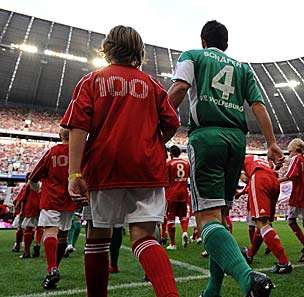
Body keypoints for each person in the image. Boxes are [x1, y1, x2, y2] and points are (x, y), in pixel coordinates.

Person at [62, 25, 180, 297]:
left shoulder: (91, 81)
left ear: (107, 49)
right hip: (146, 168)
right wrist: (154, 142)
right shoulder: (152, 85)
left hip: (105, 167)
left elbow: (77, 127)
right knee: (143, 237)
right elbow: (172, 123)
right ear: (139, 52)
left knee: (98, 237)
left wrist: (74, 174)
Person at [168, 20, 283, 297]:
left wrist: (155, 118)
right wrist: (271, 143)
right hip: (236, 141)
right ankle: (213, 289)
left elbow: (180, 88)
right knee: (219, 217)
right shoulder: (243, 68)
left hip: (207, 137)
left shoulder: (193, 55)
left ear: (203, 40)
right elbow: (257, 105)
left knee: (207, 219)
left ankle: (248, 279)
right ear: (226, 44)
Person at [28, 128, 77, 290]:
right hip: (70, 199)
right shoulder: (79, 153)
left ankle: (52, 269)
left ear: (60, 136)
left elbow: (33, 178)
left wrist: (39, 190)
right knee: (63, 235)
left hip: (51, 199)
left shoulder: (52, 152)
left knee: (50, 232)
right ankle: (56, 266)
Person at [242, 155, 292, 274]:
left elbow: (244, 178)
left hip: (259, 178)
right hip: (274, 180)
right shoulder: (259, 159)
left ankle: (284, 262)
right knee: (265, 222)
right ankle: (249, 254)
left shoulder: (240, 159)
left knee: (261, 222)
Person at [279, 138, 304, 262]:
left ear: (295, 150)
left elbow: (291, 175)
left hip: (299, 194)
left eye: (290, 152)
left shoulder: (296, 159)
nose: (289, 155)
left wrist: (276, 180)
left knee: (291, 220)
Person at [164, 145, 191, 250]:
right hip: (184, 193)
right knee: (182, 216)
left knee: (170, 218)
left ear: (171, 153)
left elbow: (166, 179)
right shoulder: (186, 163)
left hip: (172, 194)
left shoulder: (169, 164)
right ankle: (184, 232)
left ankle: (173, 244)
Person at [17, 180, 41, 259]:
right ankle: (37, 244)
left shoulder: (28, 185)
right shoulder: (44, 183)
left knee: (28, 228)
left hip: (31, 207)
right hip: (42, 207)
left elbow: (22, 198)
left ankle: (26, 252)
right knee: (40, 227)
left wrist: (17, 206)